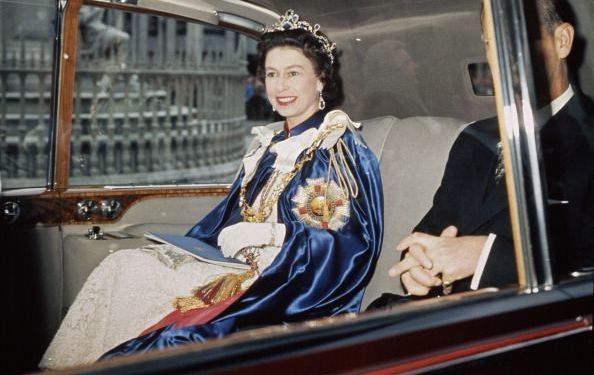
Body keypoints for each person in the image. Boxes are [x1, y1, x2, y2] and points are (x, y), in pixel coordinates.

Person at [40, 9, 383, 369]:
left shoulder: (334, 146)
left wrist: (272, 233)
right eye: (272, 74)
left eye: (293, 74)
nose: (280, 87)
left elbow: (342, 245)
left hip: (283, 280)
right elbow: (230, 214)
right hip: (239, 264)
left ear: (320, 81)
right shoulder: (270, 144)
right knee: (124, 265)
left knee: (161, 313)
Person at [370, 0, 593, 305]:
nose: (501, 58)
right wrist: (419, 264)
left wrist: (484, 256)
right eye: (492, 43)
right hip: (441, 317)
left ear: (562, 41)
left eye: (516, 39)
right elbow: (435, 227)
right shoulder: (474, 138)